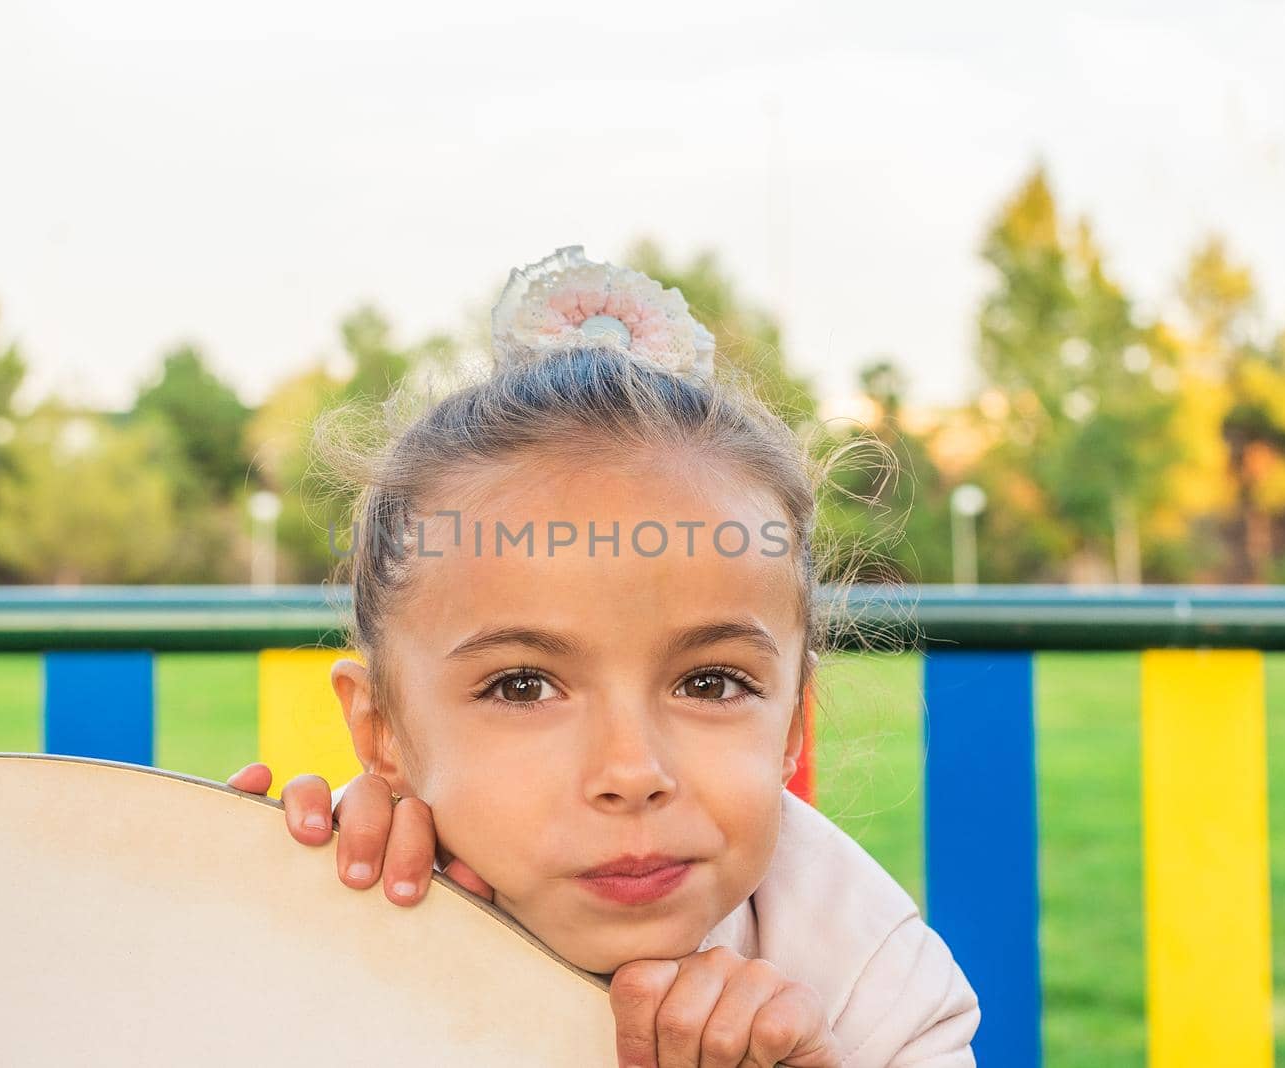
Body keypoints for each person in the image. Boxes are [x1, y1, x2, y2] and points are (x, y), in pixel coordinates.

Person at [228, 247, 979, 1067]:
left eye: (711, 682)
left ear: (793, 724)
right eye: (522, 686)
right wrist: (191, 938)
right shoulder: (322, 923)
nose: (632, 770)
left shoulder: (868, 979)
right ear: (384, 735)